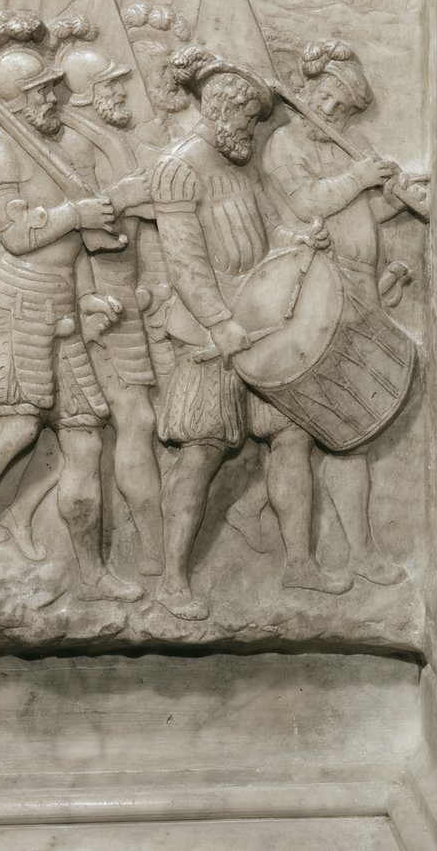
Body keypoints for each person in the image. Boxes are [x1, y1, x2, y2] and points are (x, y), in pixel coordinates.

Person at [0, 12, 142, 604]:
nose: (54, 98)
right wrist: (76, 216)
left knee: (86, 438)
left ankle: (90, 573)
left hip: (62, 298)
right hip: (18, 302)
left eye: (53, 88)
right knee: (15, 427)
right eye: (42, 91)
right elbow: (14, 235)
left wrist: (96, 258)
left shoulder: (61, 146)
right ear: (15, 101)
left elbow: (77, 235)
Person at [151, 46, 341, 622]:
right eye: (249, 122)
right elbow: (184, 263)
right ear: (222, 112)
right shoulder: (179, 167)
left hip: (261, 323)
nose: (254, 133)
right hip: (212, 334)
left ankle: (299, 564)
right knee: (202, 453)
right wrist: (220, 323)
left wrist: (300, 240)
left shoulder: (240, 163)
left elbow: (266, 226)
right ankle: (172, 577)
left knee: (292, 438)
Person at [261, 39, 427, 586]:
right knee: (294, 435)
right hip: (308, 298)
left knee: (352, 428)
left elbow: (365, 210)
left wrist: (397, 197)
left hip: (358, 294)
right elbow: (308, 203)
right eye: (325, 97)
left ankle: (360, 550)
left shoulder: (350, 141)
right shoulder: (284, 142)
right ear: (307, 90)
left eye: (342, 105)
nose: (330, 111)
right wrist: (360, 177)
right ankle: (298, 563)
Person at [51, 18, 163, 575]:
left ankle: (145, 552)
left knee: (133, 421)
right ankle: (145, 556)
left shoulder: (113, 138)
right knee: (128, 422)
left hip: (126, 299)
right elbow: (70, 232)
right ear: (88, 96)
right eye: (112, 85)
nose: (123, 91)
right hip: (97, 306)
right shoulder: (72, 144)